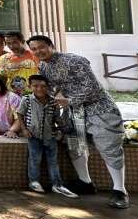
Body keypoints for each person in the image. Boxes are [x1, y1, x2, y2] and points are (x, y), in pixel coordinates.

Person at [28, 35, 130, 209]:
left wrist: (69, 100)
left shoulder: (75, 60)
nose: (38, 51)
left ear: (51, 45)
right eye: (34, 49)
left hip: (99, 109)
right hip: (73, 112)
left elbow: (92, 88)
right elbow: (52, 88)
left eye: (41, 47)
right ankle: (85, 182)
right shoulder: (43, 66)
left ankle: (120, 191)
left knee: (109, 147)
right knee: (76, 146)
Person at [7, 74, 77, 198]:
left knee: (53, 161)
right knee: (34, 159)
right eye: (36, 86)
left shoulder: (52, 101)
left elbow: (56, 118)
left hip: (50, 136)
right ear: (30, 86)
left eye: (43, 86)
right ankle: (34, 182)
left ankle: (57, 184)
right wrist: (24, 129)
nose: (39, 89)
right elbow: (20, 115)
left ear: (48, 87)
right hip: (33, 135)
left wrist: (64, 129)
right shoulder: (27, 99)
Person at [0, 31, 39, 96]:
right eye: (8, 43)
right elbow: (1, 78)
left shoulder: (35, 55)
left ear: (23, 41)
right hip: (12, 96)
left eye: (14, 42)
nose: (11, 46)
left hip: (33, 94)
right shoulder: (4, 58)